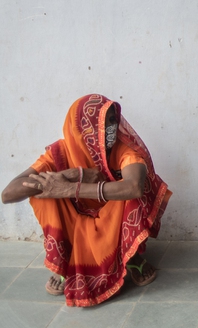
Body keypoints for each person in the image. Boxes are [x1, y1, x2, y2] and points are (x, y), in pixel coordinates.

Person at [1, 94, 171, 307]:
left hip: (113, 220)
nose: (111, 127)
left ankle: (132, 255)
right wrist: (75, 175)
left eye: (113, 120)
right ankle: (65, 264)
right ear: (81, 127)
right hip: (77, 219)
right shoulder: (60, 152)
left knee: (136, 194)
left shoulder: (122, 149)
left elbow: (134, 186)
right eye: (103, 122)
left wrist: (73, 188)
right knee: (41, 192)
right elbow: (8, 194)